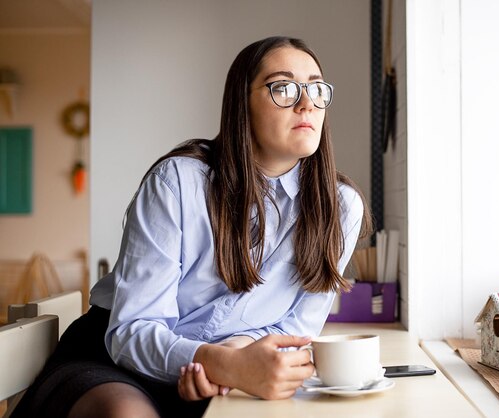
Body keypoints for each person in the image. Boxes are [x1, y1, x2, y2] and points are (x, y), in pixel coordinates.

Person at [11, 36, 372, 418]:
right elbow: (132, 330)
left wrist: (234, 356)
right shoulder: (178, 182)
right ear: (241, 104)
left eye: (316, 88)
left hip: (234, 372)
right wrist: (218, 362)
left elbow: (296, 330)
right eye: (283, 87)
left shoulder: (341, 207)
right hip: (115, 360)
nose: (307, 103)